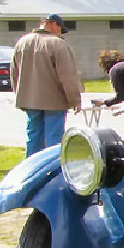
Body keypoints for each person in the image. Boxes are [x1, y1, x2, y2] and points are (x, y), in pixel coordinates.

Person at [10, 14, 81, 157]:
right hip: (54, 100)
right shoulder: (58, 44)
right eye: (61, 29)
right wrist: (74, 100)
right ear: (54, 24)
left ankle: (31, 169)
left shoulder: (22, 42)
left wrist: (19, 93)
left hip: (30, 99)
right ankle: (52, 171)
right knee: (53, 140)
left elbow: (14, 73)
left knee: (33, 138)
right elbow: (67, 76)